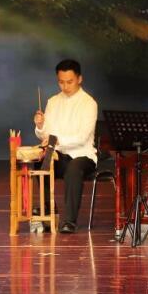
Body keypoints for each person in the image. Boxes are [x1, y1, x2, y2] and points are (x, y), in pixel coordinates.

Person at [34, 59, 98, 234]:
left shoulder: (89, 103)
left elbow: (82, 137)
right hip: (59, 153)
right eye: (61, 82)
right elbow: (46, 135)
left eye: (69, 82)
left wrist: (56, 140)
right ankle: (48, 210)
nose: (65, 86)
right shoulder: (53, 101)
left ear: (79, 79)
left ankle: (69, 220)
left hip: (82, 155)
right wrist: (40, 125)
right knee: (41, 162)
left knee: (74, 168)